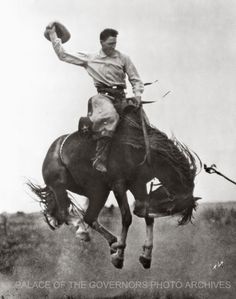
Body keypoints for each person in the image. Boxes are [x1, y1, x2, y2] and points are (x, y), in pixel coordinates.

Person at [46, 23, 144, 172]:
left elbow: (135, 78)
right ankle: (100, 157)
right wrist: (53, 35)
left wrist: (137, 95)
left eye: (115, 43)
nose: (113, 46)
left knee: (141, 120)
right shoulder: (90, 58)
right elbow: (63, 55)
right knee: (110, 116)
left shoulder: (124, 58)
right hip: (102, 98)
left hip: (121, 97)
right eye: (110, 43)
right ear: (102, 42)